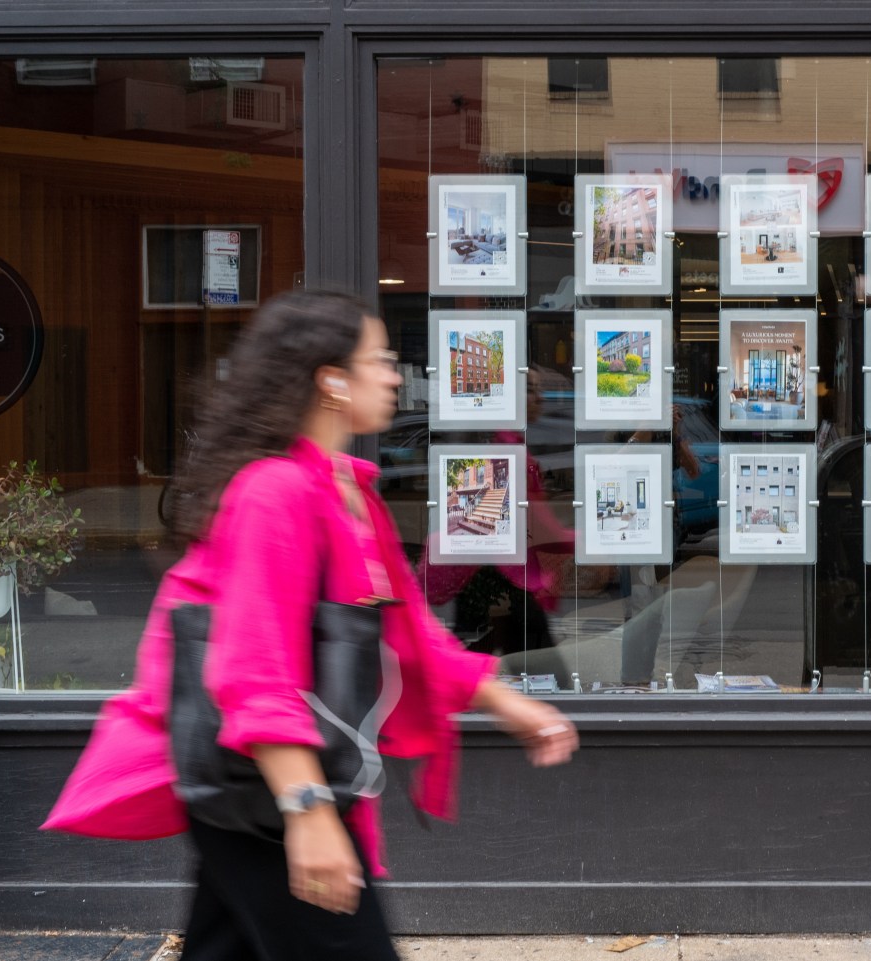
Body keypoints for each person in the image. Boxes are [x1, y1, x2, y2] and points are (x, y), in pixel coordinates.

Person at [42, 290, 578, 959]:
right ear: (331, 379)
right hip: (272, 791)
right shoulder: (276, 491)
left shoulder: (343, 487)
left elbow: (410, 631)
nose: (394, 375)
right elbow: (253, 665)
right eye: (379, 360)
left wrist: (508, 703)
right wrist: (308, 811)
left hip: (261, 791)